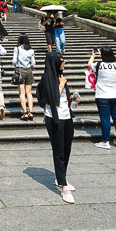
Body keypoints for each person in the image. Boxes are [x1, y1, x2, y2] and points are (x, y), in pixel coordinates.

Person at [36, 51, 78, 204]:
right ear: (54, 63)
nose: (64, 63)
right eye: (62, 61)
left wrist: (72, 98)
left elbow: (63, 99)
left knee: (67, 149)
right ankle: (64, 187)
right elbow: (46, 99)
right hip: (54, 119)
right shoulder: (46, 79)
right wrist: (60, 86)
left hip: (67, 117)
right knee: (59, 151)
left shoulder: (62, 78)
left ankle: (61, 178)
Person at [88, 47, 116, 150]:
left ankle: (105, 142)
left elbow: (90, 65)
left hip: (103, 96)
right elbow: (110, 62)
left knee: (105, 119)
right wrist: (104, 55)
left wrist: (93, 55)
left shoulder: (99, 65)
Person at [12, 34, 36, 121]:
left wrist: (16, 65)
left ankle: (25, 113)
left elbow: (14, 61)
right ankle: (31, 112)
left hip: (20, 71)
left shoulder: (17, 49)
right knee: (29, 93)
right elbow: (33, 63)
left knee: (22, 93)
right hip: (29, 70)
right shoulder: (30, 50)